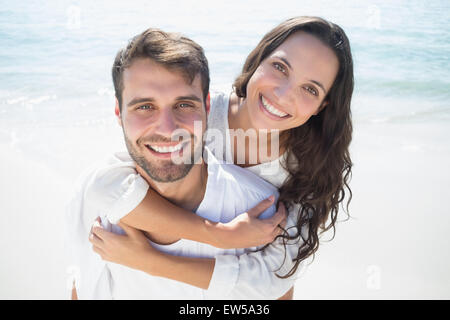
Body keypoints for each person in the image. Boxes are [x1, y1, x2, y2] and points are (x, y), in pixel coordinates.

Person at [87, 16, 354, 299]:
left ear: (321, 106)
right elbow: (106, 185)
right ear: (258, 59)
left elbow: (269, 280)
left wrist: (148, 261)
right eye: (280, 67)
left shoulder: (309, 172)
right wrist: (217, 233)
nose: (283, 94)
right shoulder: (197, 112)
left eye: (310, 89)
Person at [67, 27, 289, 299]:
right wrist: (220, 236)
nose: (168, 128)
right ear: (118, 111)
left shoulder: (259, 213)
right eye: (145, 107)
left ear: (207, 106)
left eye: (183, 105)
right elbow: (85, 286)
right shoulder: (95, 199)